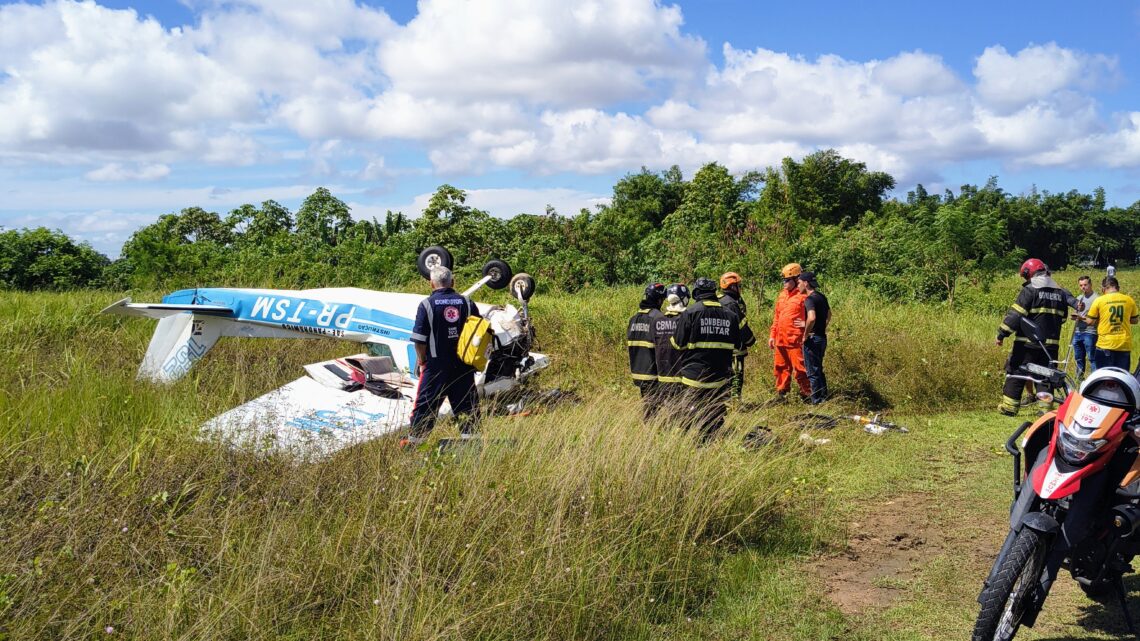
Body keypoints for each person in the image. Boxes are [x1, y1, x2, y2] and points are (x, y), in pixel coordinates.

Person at [403, 266, 482, 447]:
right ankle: (472, 449)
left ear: (431, 283)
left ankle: (414, 446)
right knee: (467, 408)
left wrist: (422, 361)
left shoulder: (426, 305)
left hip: (436, 368)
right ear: (452, 282)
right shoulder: (468, 303)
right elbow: (480, 333)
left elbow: (420, 340)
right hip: (463, 366)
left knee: (425, 407)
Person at [996, 259, 1079, 416]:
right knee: (1046, 376)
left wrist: (1002, 333)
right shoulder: (1060, 293)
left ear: (1030, 273)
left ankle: (1009, 407)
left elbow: (1016, 315)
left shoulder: (1030, 290)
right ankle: (1045, 410)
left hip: (1027, 343)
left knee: (1016, 371)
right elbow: (1061, 319)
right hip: (1051, 345)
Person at [671, 277, 741, 441]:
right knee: (714, 412)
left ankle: (690, 441)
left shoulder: (690, 312)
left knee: (690, 411)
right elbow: (737, 346)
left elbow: (678, 344)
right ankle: (709, 440)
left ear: (696, 294)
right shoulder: (730, 315)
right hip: (720, 377)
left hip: (694, 377)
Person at [768, 263, 812, 402]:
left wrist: (806, 327)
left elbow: (814, 317)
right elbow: (777, 317)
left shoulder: (804, 296)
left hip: (795, 340)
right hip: (780, 339)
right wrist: (772, 335)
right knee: (780, 367)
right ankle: (782, 394)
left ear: (796, 279)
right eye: (784, 280)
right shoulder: (782, 296)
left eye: (787, 280)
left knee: (801, 369)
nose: (784, 283)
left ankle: (807, 395)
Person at [1083, 275, 1138, 371]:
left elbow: (1090, 322)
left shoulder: (1099, 300)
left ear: (1103, 288)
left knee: (1104, 378)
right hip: (1123, 345)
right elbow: (1135, 320)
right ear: (1118, 287)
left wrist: (1081, 317)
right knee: (1121, 378)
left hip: (1105, 345)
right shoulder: (1129, 300)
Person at [628, 283, 666, 420]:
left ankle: (649, 429)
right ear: (658, 300)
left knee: (648, 403)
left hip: (638, 371)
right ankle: (651, 431)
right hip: (654, 373)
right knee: (654, 407)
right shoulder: (658, 318)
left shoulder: (634, 319)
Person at [719, 272, 757, 401]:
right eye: (738, 285)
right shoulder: (731, 304)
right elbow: (741, 325)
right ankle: (734, 402)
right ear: (732, 287)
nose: (739, 288)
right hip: (735, 347)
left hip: (722, 347)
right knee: (736, 375)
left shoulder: (720, 300)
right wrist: (750, 340)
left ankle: (725, 400)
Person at [796, 272, 831, 404]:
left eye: (799, 283)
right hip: (822, 338)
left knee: (812, 372)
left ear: (806, 283)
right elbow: (829, 314)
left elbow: (812, 317)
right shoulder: (821, 297)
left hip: (813, 339)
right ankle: (823, 396)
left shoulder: (809, 299)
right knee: (818, 368)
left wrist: (805, 334)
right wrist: (820, 327)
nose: (798, 285)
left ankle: (816, 401)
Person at [653, 283, 689, 405]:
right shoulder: (684, 320)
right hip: (681, 374)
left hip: (662, 373)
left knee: (669, 407)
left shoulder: (658, 320)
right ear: (684, 299)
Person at [1071, 275, 1098, 377]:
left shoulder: (1096, 298)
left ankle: (1094, 378)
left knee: (1092, 357)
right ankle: (1079, 378)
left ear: (1090, 284)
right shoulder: (1079, 298)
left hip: (1090, 332)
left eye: (1085, 285)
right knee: (1078, 357)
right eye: (1081, 285)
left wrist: (1081, 317)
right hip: (1077, 331)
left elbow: (1095, 319)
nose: (1083, 287)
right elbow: (1075, 313)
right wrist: (1074, 315)